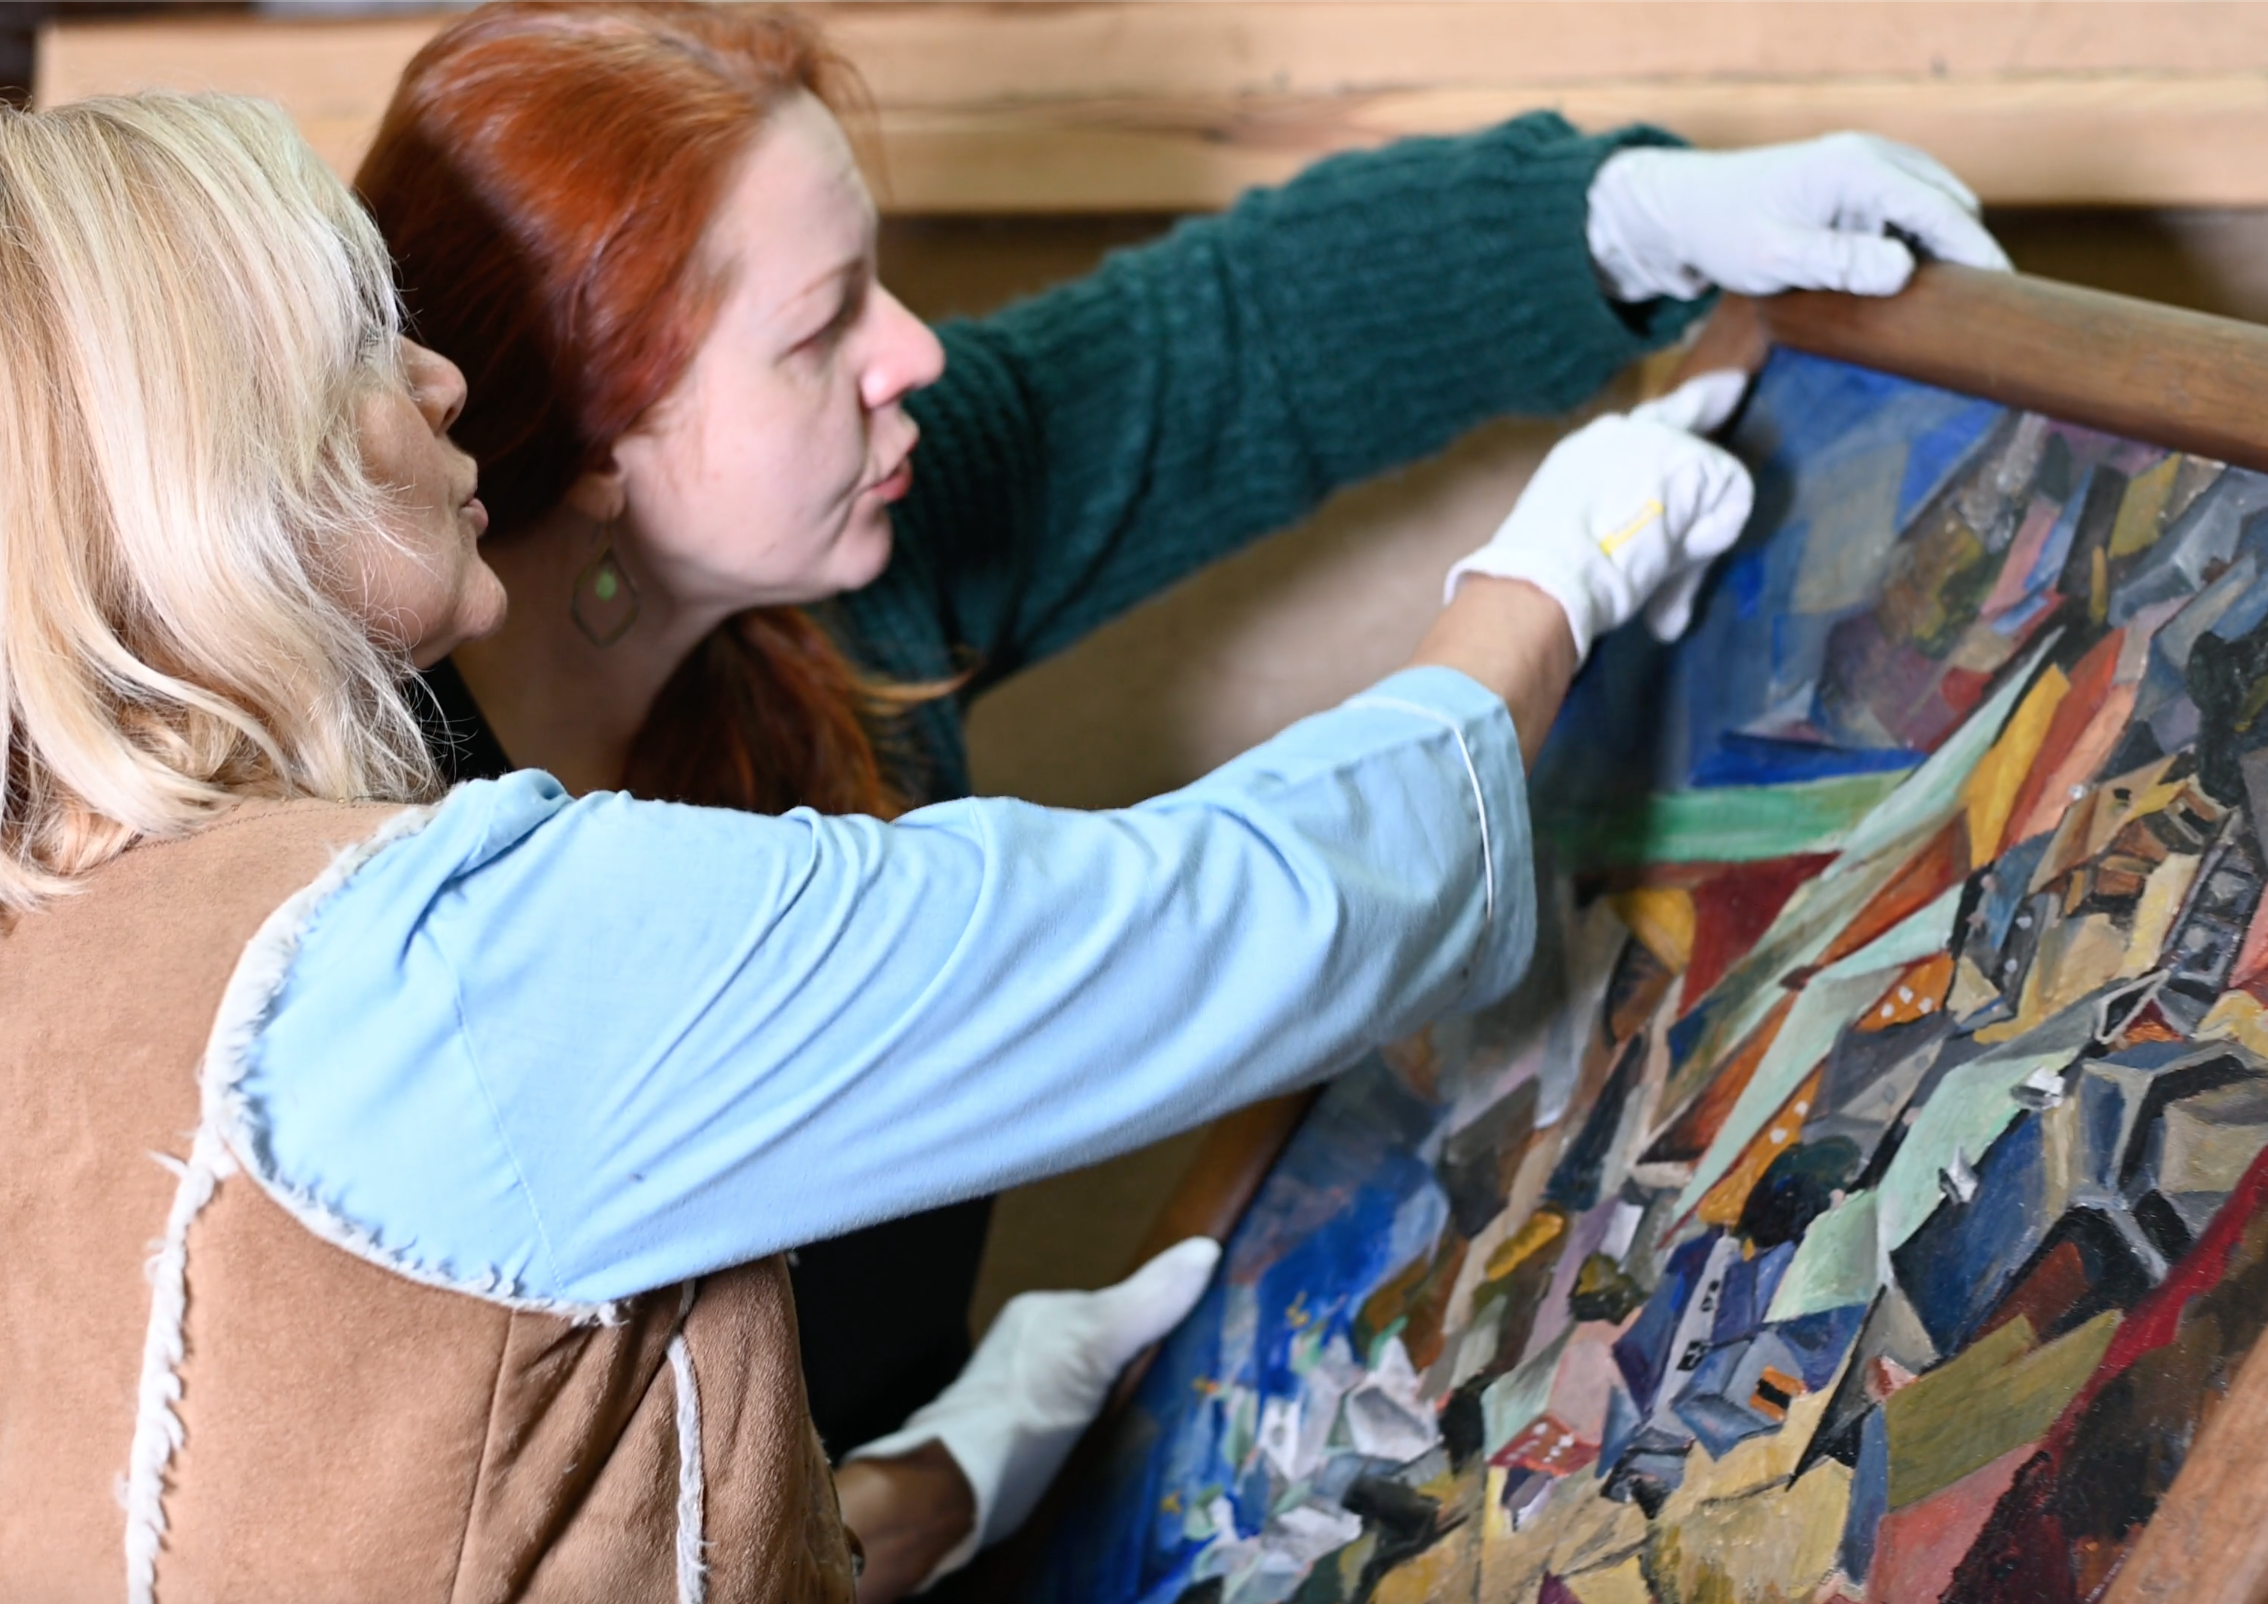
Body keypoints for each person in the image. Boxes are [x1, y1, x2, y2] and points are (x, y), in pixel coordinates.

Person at [1, 91, 1755, 1600]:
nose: (451, 378)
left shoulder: (71, 914)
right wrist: (1543, 590)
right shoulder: (447, 957)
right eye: (355, 351)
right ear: (221, 468)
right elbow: (1222, 930)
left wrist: (913, 1494)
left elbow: (449, 1496)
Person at [355, 0, 2012, 1466]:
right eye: (820, 328)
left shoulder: (851, 565)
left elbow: (1226, 346)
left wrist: (1619, 222)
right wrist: (917, 1504)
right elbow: (1170, 939)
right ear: (585, 433)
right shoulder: (404, 862)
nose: (915, 354)